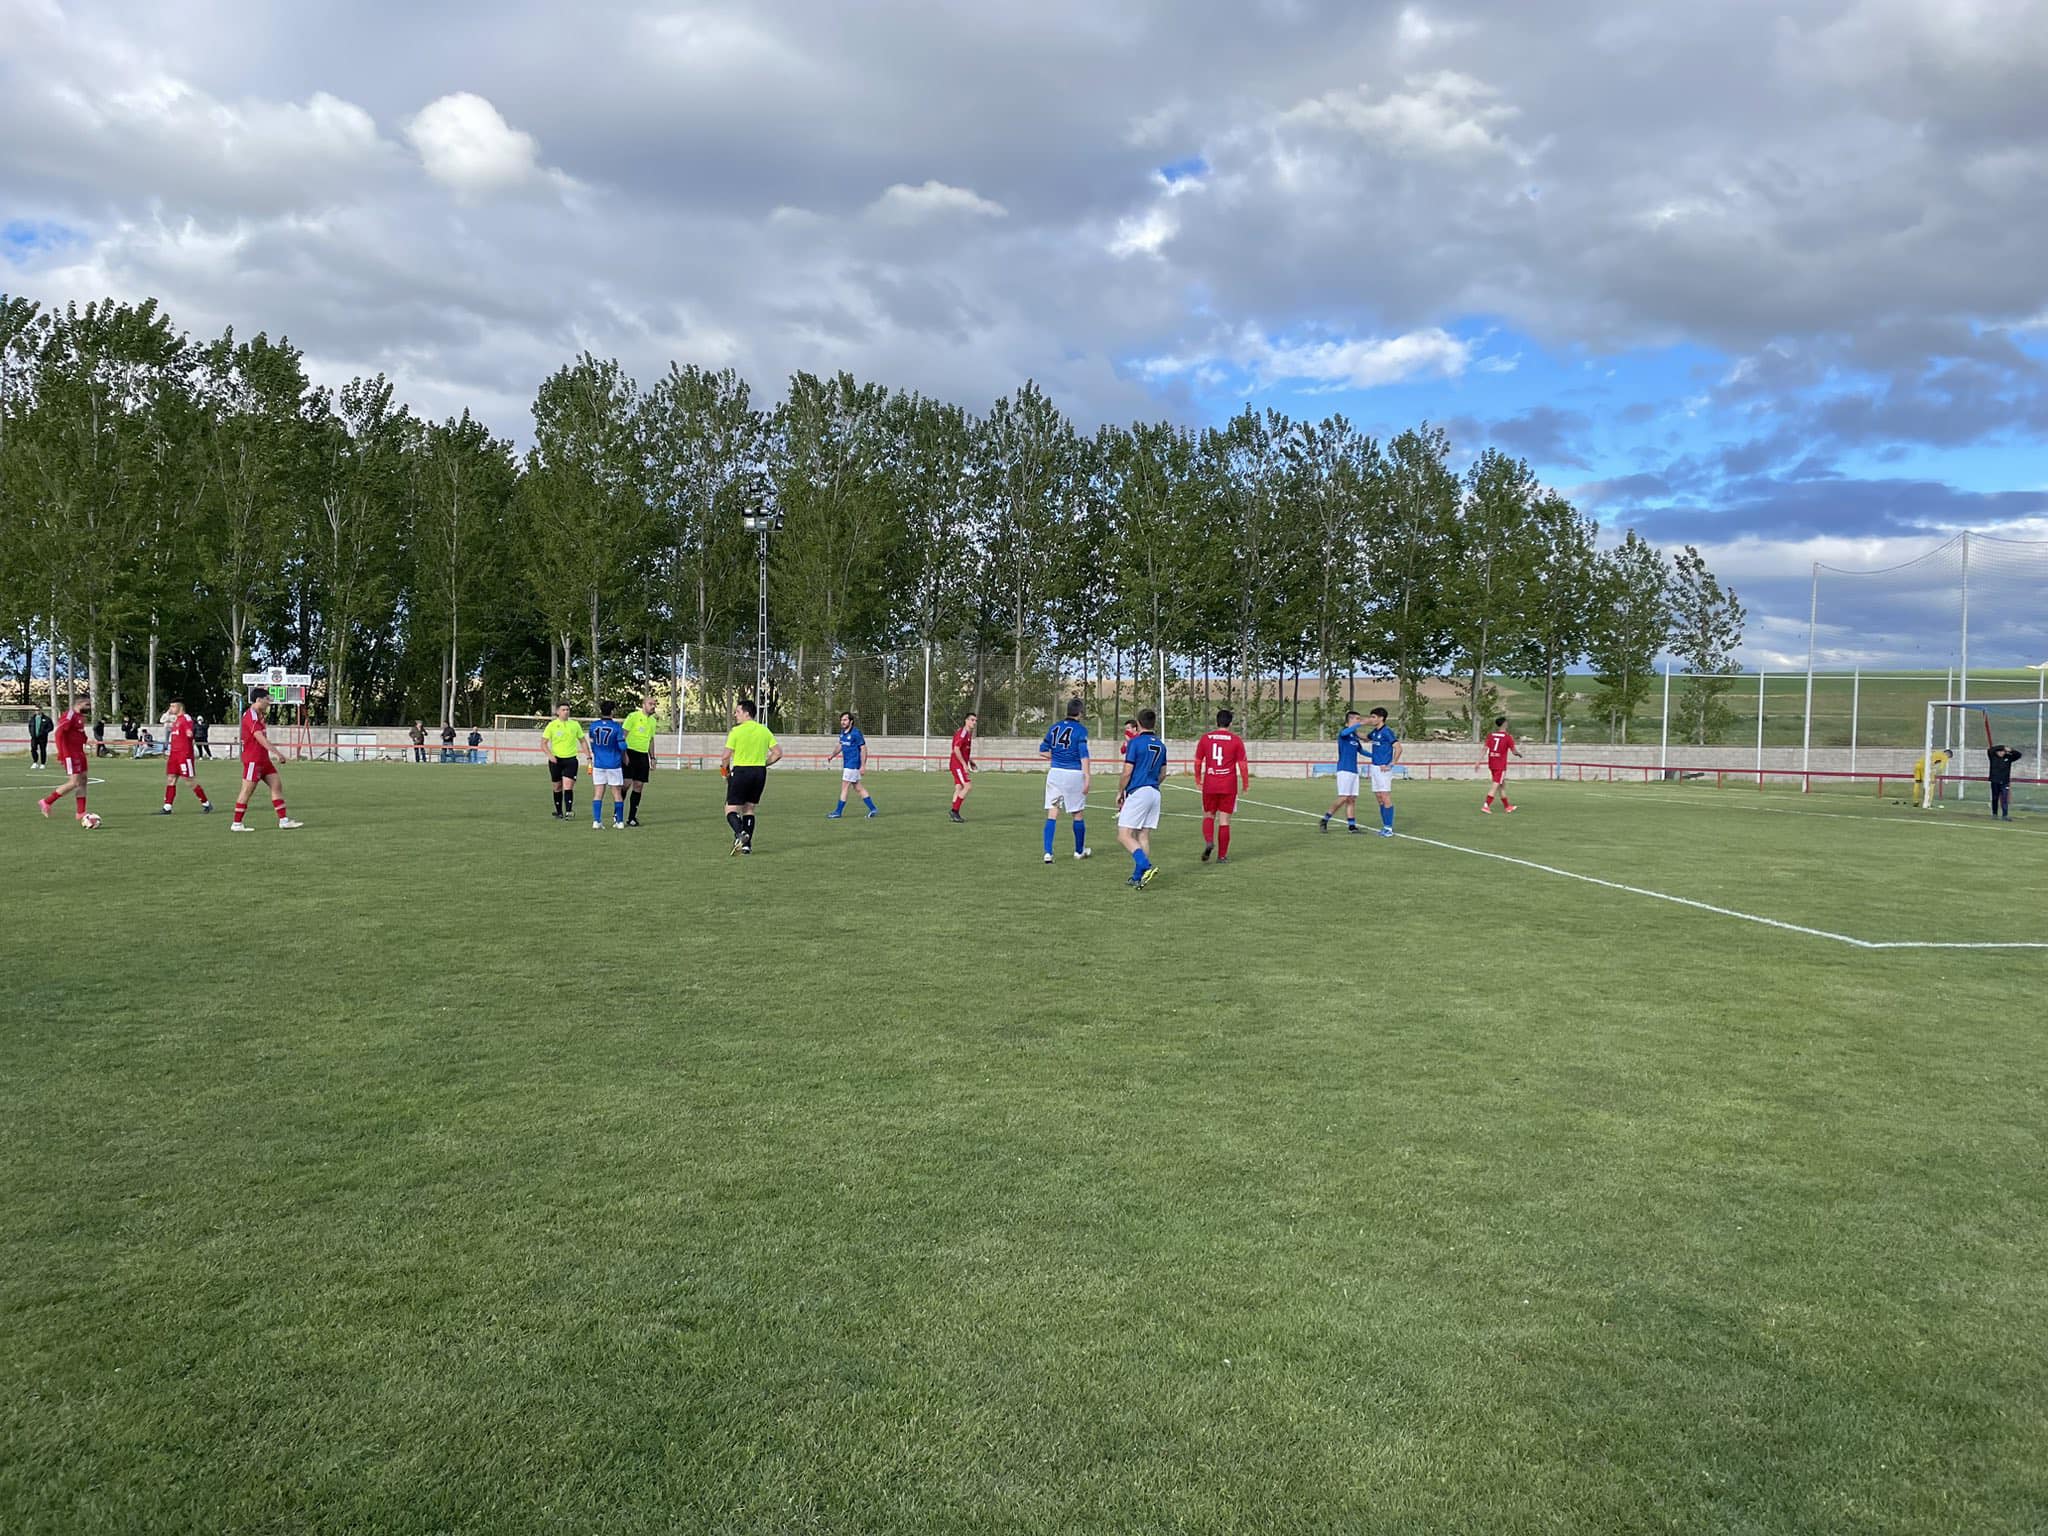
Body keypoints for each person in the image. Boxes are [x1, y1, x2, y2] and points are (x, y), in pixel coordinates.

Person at [230, 690, 302, 831]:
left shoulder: (260, 715)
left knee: (276, 785)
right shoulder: (251, 716)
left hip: (264, 760)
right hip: (253, 760)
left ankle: (283, 820)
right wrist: (277, 753)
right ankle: (236, 824)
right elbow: (259, 738)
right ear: (259, 699)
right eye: (267, 699)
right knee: (246, 791)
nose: (269, 702)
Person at [720, 698, 781, 855]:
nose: (736, 715)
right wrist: (764, 764)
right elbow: (778, 753)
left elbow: (725, 756)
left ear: (747, 713)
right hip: (759, 773)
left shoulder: (737, 731)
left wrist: (724, 771)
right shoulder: (764, 730)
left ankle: (741, 833)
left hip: (741, 771)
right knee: (749, 808)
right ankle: (746, 846)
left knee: (730, 808)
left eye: (738, 712)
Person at [1037, 697, 1093, 864]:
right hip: (1073, 774)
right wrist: (1087, 776)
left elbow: (1042, 751)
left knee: (1053, 812)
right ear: (1080, 713)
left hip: (1055, 773)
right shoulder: (1080, 730)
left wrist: (1058, 757)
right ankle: (1078, 851)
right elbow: (1084, 754)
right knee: (1077, 813)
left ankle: (1048, 853)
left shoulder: (1054, 728)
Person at [1117, 707, 1168, 889]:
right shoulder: (1161, 745)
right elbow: (1163, 774)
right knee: (1143, 835)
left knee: (1124, 835)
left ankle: (1145, 865)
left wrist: (1120, 791)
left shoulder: (1135, 743)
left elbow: (1127, 772)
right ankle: (1138, 877)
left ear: (1138, 724)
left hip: (1139, 792)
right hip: (1154, 792)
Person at [1194, 708, 1250, 863]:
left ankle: (1209, 841)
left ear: (1216, 721)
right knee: (1224, 820)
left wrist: (1198, 779)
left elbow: (1198, 761)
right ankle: (1222, 855)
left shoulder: (1206, 738)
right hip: (1228, 785)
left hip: (1210, 783)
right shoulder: (1236, 740)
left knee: (1209, 815)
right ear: (1230, 723)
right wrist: (1245, 783)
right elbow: (1243, 764)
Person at [37, 693, 93, 825]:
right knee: (74, 782)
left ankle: (81, 813)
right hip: (71, 754)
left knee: (83, 780)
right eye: (87, 705)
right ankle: (46, 801)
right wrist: (62, 753)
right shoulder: (70, 715)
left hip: (79, 753)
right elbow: (59, 733)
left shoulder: (80, 717)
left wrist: (87, 740)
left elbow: (79, 733)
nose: (89, 707)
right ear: (79, 704)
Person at [158, 700, 212, 815]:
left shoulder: (185, 718)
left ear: (180, 707)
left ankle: (206, 803)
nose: (170, 709)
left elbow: (189, 731)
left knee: (189, 780)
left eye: (173, 706)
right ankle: (167, 807)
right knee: (171, 778)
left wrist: (189, 733)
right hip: (174, 755)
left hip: (184, 755)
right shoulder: (176, 720)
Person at [1320, 710, 1368, 833]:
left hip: (1353, 770)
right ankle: (1325, 818)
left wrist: (1376, 757)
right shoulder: (1344, 733)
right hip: (1344, 769)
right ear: (1349, 721)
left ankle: (1352, 826)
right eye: (1356, 719)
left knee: (1351, 798)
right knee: (1343, 797)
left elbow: (1361, 751)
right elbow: (1345, 732)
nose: (1359, 720)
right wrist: (1360, 724)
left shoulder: (1355, 737)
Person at [826, 711, 878, 820]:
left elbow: (863, 749)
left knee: (845, 787)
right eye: (841, 720)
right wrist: (832, 755)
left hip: (852, 765)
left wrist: (863, 765)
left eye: (845, 720)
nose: (842, 722)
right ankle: (873, 808)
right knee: (858, 787)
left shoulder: (856, 733)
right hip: (848, 764)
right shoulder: (843, 733)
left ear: (851, 721)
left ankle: (838, 812)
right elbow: (840, 745)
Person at [585, 701, 629, 829]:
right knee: (617, 793)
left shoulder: (593, 726)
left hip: (599, 763)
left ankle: (596, 821)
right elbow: (622, 746)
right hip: (614, 764)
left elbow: (592, 744)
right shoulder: (616, 727)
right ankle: (619, 822)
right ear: (612, 711)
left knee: (598, 793)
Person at [621, 695, 659, 826]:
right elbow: (623, 736)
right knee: (626, 784)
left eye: (654, 704)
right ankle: (618, 813)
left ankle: (632, 817)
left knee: (639, 786)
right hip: (630, 753)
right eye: (650, 704)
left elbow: (651, 740)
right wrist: (624, 754)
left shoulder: (653, 721)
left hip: (643, 755)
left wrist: (652, 757)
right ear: (643, 705)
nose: (653, 706)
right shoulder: (633, 717)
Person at [541, 704, 584, 819]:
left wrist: (588, 756)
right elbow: (543, 743)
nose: (566, 712)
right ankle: (559, 811)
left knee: (568, 786)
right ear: (558, 712)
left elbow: (583, 741)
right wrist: (550, 756)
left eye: (567, 710)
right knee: (557, 786)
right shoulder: (552, 725)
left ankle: (569, 812)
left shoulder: (574, 725)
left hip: (570, 760)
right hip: (556, 760)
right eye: (563, 710)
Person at [1365, 705, 1402, 836]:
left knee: (1385, 796)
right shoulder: (1375, 732)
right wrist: (1352, 729)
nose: (1371, 719)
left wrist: (1391, 764)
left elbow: (1398, 747)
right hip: (1374, 767)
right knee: (1379, 797)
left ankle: (1389, 828)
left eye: (1374, 717)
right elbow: (1366, 738)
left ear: (1381, 718)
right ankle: (1385, 826)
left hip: (1383, 768)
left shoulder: (1387, 731)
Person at [1482, 715, 1522, 814]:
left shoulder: (1491, 735)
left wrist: (1478, 761)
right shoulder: (1508, 737)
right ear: (1504, 724)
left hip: (1492, 763)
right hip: (1500, 764)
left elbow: (1485, 748)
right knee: (1495, 785)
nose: (1507, 723)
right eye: (1506, 722)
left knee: (1502, 785)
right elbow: (1513, 751)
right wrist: (1519, 754)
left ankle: (1507, 807)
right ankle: (1486, 805)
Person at [948, 712, 978, 821]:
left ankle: (954, 813)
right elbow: (956, 749)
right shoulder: (963, 733)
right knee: (968, 786)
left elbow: (962, 750)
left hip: (957, 763)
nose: (974, 722)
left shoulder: (967, 734)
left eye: (975, 720)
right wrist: (964, 764)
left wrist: (969, 761)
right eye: (972, 720)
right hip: (957, 765)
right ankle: (954, 811)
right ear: (966, 720)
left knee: (959, 787)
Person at [1988, 743, 2023, 821]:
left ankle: (2005, 815)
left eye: (2003, 751)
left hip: (2004, 782)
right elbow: (1990, 750)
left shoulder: (2008, 758)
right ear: (1997, 752)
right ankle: (1994, 814)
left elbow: (2018, 755)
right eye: (2000, 751)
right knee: (1995, 798)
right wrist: (2002, 747)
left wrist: (2010, 750)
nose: (2001, 753)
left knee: (2004, 799)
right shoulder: (1993, 757)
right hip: (1995, 781)